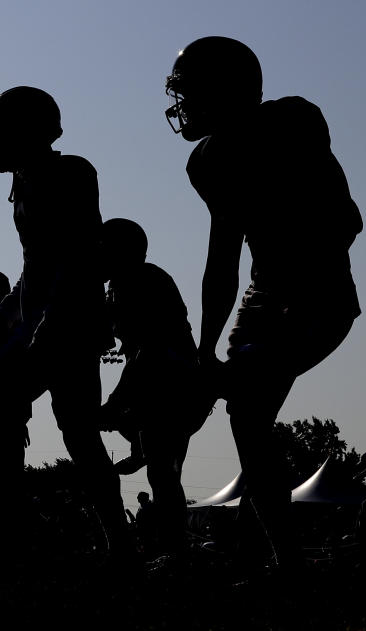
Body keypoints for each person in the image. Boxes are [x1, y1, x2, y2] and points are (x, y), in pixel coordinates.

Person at [165, 36, 362, 572]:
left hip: (316, 291)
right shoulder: (206, 160)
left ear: (223, 92)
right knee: (247, 421)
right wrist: (206, 347)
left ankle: (285, 560)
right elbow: (222, 256)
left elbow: (346, 219)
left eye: (191, 92)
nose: (181, 104)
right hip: (263, 297)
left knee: (249, 412)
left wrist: (300, 285)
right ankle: (264, 548)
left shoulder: (293, 122)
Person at [0, 87, 129, 568]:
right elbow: (35, 265)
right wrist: (7, 312)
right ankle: (98, 544)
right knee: (69, 434)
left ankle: (28, 541)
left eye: (2, 132)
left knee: (60, 430)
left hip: (69, 320)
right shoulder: (21, 181)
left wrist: (50, 316)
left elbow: (79, 255)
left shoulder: (70, 173)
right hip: (44, 319)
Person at [97, 218, 211, 558]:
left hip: (173, 382)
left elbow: (148, 350)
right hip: (163, 383)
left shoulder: (141, 280)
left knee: (163, 473)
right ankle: (174, 550)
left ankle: (176, 552)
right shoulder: (119, 285)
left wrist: (116, 402)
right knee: (162, 471)